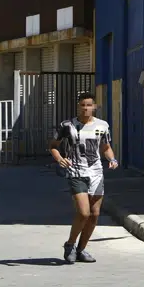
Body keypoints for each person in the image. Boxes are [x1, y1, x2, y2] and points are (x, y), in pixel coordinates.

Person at [49, 92, 118, 264]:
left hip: (96, 173)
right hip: (76, 172)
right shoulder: (67, 125)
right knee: (83, 212)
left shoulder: (102, 125)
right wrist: (59, 159)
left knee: (94, 214)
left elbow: (106, 147)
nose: (85, 108)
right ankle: (70, 245)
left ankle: (81, 250)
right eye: (82, 105)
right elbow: (53, 146)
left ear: (94, 107)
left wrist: (112, 159)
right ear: (78, 106)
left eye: (89, 105)